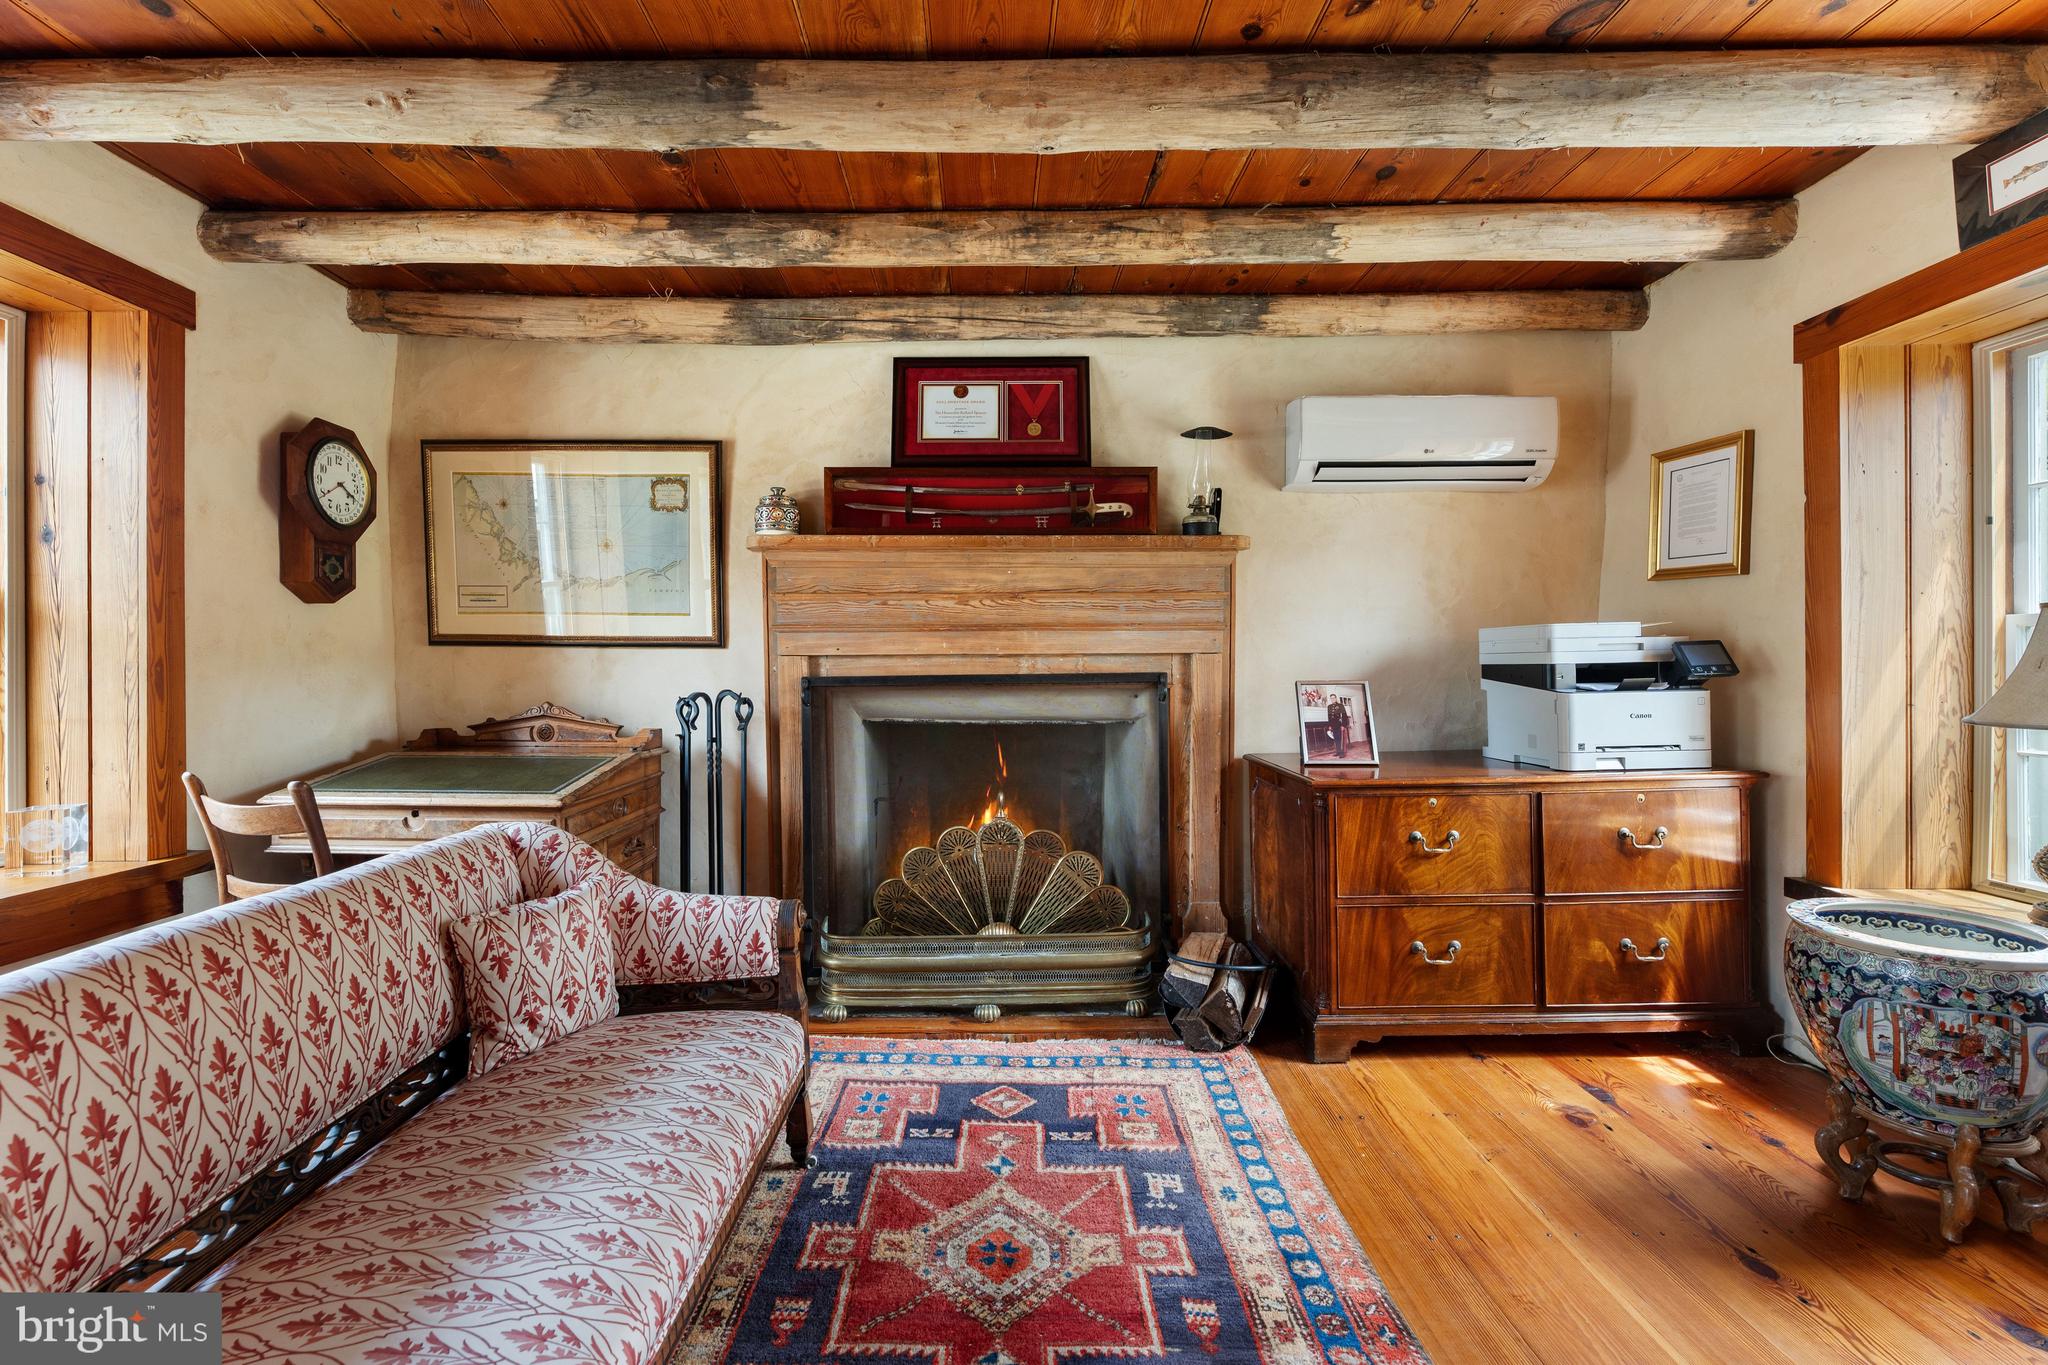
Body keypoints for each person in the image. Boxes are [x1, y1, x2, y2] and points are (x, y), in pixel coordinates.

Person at [1326, 693, 1352, 758]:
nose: (1332, 699)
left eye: (1334, 698)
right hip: (1333, 725)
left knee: (1341, 739)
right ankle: (1338, 751)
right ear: (1330, 699)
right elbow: (1329, 717)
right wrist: (1329, 725)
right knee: (1336, 739)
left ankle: (1342, 753)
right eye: (1331, 698)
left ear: (1336, 698)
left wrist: (1343, 725)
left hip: (1339, 725)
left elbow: (1344, 716)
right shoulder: (1329, 707)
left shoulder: (1340, 705)